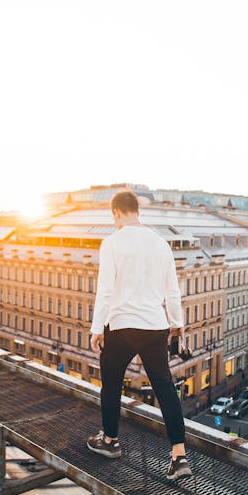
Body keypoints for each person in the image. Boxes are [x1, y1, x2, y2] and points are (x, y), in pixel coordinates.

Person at [86, 191, 192, 480]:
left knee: (111, 383)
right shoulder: (161, 244)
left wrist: (97, 329)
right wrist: (177, 323)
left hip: (120, 325)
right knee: (165, 388)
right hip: (154, 325)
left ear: (116, 213)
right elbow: (172, 290)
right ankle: (179, 456)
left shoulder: (112, 243)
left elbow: (105, 290)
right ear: (137, 211)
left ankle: (109, 441)